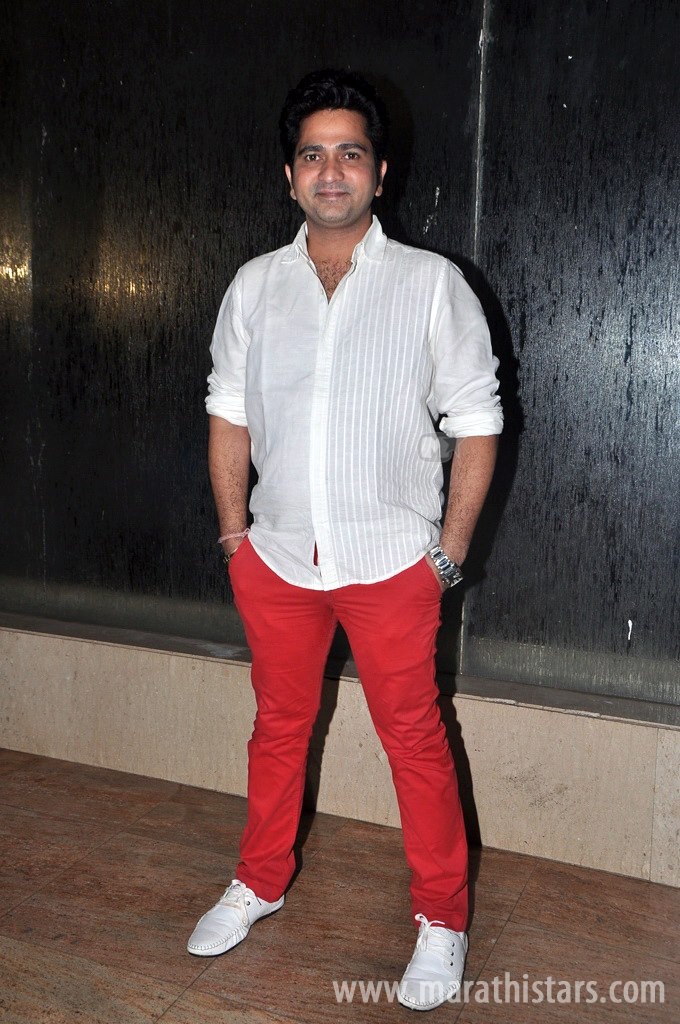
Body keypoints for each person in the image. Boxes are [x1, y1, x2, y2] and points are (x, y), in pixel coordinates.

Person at [188, 68, 503, 1012]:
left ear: (379, 172)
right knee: (277, 729)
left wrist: (447, 554)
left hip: (392, 562)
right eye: (313, 155)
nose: (332, 172)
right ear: (290, 176)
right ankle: (260, 880)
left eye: (350, 154)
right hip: (279, 559)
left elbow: (476, 421)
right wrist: (236, 538)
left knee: (416, 739)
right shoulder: (255, 287)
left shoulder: (431, 285)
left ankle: (441, 918)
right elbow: (228, 412)